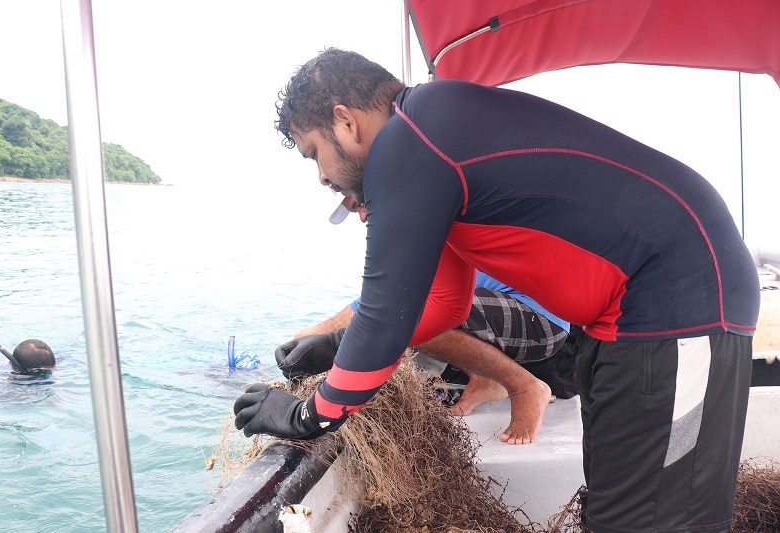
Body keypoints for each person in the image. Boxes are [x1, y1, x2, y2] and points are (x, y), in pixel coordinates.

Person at [233, 49, 759, 532]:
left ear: (345, 122)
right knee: (616, 511)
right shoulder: (432, 142)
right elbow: (444, 304)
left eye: (313, 153)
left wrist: (308, 416)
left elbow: (384, 313)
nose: (322, 177)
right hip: (634, 310)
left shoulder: (408, 143)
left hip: (676, 295)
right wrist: (336, 346)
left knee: (652, 521)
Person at [281, 266, 573, 444]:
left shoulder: (423, 231)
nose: (361, 215)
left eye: (360, 203)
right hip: (507, 318)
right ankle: (487, 377)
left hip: (542, 320)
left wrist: (318, 335)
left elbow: (384, 304)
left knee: (410, 319)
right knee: (412, 316)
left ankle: (525, 386)